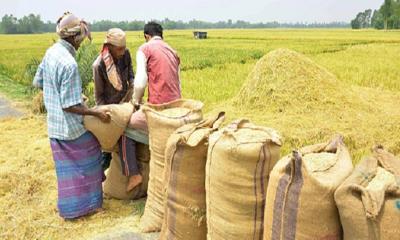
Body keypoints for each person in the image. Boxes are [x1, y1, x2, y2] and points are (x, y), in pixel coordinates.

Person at [33, 12, 110, 219]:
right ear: (74, 38)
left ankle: (69, 207)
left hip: (54, 125)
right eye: (81, 38)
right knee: (94, 152)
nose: (82, 42)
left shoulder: (51, 52)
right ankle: (92, 205)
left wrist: (60, 92)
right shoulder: (69, 63)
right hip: (70, 127)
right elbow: (69, 106)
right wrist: (95, 112)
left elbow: (38, 81)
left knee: (66, 169)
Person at [92, 28, 142, 192]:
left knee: (128, 136)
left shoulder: (125, 54)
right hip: (110, 109)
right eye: (119, 49)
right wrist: (104, 114)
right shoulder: (99, 65)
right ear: (110, 47)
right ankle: (98, 177)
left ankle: (131, 173)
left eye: (123, 48)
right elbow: (99, 96)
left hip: (126, 102)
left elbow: (131, 76)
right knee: (108, 146)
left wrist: (135, 89)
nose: (122, 52)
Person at [132, 22, 181, 107]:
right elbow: (178, 82)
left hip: (158, 105)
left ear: (146, 36)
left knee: (134, 120)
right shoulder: (173, 51)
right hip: (177, 104)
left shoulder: (144, 49)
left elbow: (140, 83)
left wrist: (136, 101)